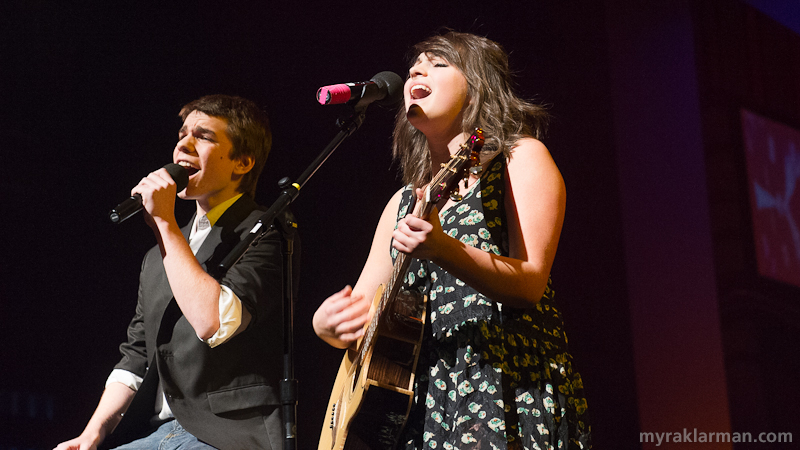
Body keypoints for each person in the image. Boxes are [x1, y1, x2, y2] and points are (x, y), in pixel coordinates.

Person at [313, 32, 591, 449]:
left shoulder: (520, 158)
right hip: (420, 406)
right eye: (413, 68)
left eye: (439, 64)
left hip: (501, 383)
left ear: (479, 85)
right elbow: (365, 313)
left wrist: (444, 248)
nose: (415, 72)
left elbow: (531, 282)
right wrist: (330, 327)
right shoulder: (402, 201)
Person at [55, 95, 291, 450]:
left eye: (204, 136)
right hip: (160, 433)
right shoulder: (159, 256)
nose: (184, 144)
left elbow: (214, 322)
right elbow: (136, 355)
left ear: (242, 163)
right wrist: (92, 434)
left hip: (228, 434)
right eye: (182, 134)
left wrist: (164, 223)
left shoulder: (266, 230)